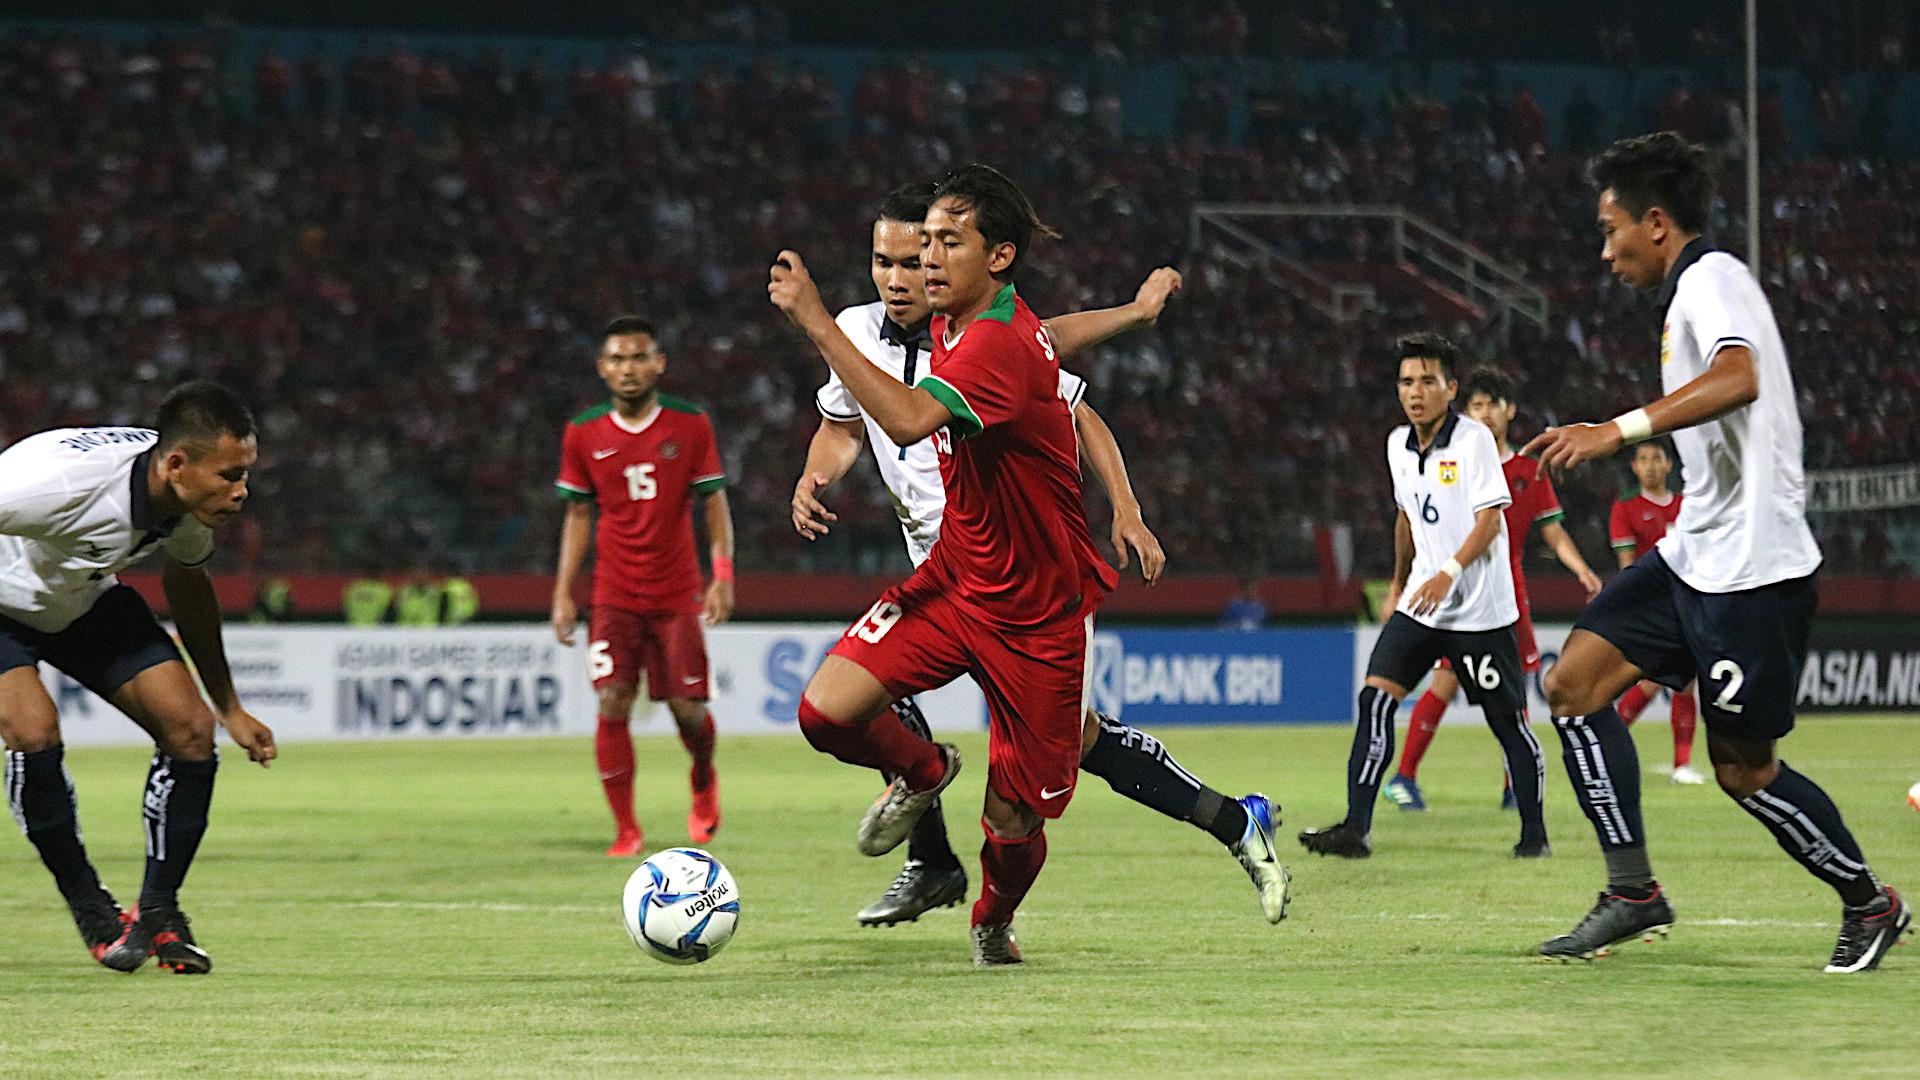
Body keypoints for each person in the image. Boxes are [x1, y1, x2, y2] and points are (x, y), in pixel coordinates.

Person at [792, 181, 1287, 930]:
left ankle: (997, 914)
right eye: (896, 255)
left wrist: (814, 322)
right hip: (954, 572)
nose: (913, 269)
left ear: (994, 257)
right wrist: (1135, 311)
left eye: (933, 248)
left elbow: (929, 415)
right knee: (829, 710)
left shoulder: (990, 342)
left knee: (1036, 791)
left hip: (1034, 606)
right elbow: (1045, 334)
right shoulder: (941, 323)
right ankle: (925, 794)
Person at [1524, 131, 1907, 970]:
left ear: (1656, 223)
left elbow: (1742, 377)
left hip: (1755, 573)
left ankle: (1869, 902)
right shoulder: (1688, 294)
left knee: (1743, 771)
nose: (1604, 249)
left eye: (1610, 228)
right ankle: (1633, 892)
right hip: (1697, 551)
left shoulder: (1715, 279)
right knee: (1572, 686)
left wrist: (1614, 431)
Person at [0, 381, 278, 974]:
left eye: (245, 474)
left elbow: (187, 588)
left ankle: (159, 912)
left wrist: (229, 706)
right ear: (177, 464)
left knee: (191, 731)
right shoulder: (55, 487)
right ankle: (90, 906)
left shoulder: (185, 501)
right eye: (230, 475)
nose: (241, 491)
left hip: (83, 598)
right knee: (32, 730)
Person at [1298, 335, 1549, 860]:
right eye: (1407, 381)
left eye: (1428, 381)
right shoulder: (1396, 445)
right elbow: (1407, 518)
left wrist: (1451, 570)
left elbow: (1489, 520)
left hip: (1480, 610)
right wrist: (1398, 583)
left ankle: (1534, 835)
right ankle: (1357, 828)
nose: (1416, 392)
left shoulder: (1473, 439)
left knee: (1507, 723)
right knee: (1375, 700)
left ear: (1450, 389)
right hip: (1421, 604)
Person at [551, 317, 735, 858]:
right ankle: (626, 829)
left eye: (638, 358)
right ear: (602, 368)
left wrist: (721, 576)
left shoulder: (690, 424)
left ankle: (703, 774)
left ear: (658, 364)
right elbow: (578, 516)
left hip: (677, 593)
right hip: (613, 594)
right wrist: (563, 591)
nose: (628, 370)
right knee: (612, 700)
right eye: (617, 360)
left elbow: (715, 503)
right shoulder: (583, 432)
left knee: (687, 710)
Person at [1382, 367, 1603, 812]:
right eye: (1476, 406)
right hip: (1457, 586)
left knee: (1513, 684)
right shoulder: (1455, 461)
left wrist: (1581, 569)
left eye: (1491, 405)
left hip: (1507, 590)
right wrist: (1403, 581)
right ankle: (1404, 776)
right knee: (1446, 678)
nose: (1483, 414)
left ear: (1510, 411)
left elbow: (1553, 533)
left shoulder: (1527, 469)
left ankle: (1511, 785)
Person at [1607, 441, 1702, 784]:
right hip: (1650, 606)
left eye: (1656, 459)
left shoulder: (1688, 506)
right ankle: (1611, 741)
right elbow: (1627, 564)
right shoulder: (1627, 507)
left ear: (1668, 466)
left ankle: (1682, 764)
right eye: (1642, 460)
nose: (1649, 466)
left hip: (1688, 601)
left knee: (1684, 683)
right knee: (1651, 680)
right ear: (1634, 467)